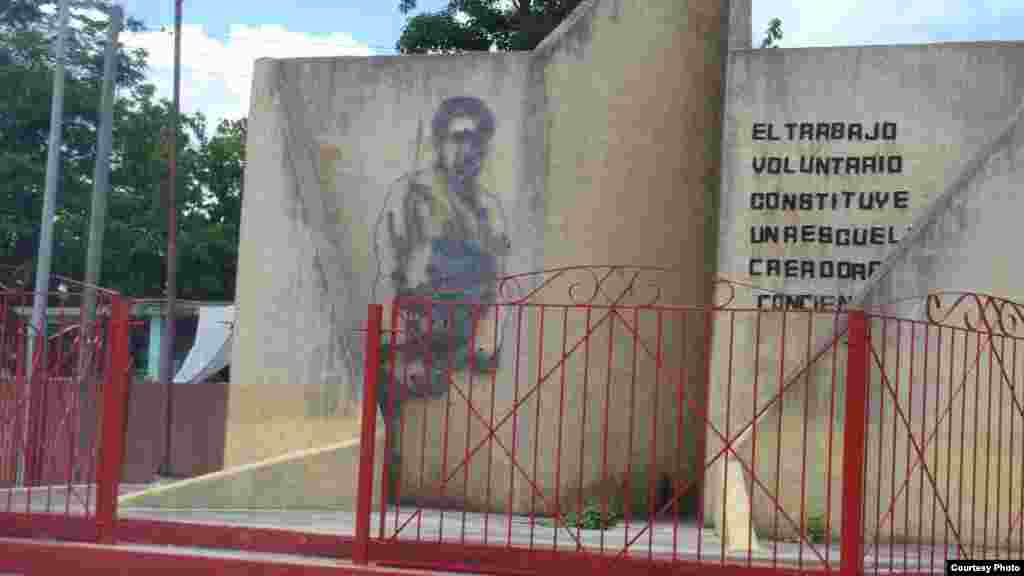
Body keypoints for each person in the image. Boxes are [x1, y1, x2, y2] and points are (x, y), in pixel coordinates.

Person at [372, 96, 511, 443]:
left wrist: (487, 340)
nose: (469, 149)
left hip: (465, 349)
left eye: (478, 140)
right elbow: (388, 268)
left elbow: (502, 281)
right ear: (439, 142)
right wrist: (400, 344)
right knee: (396, 442)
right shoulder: (410, 193)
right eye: (459, 138)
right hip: (414, 342)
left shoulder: (489, 209)